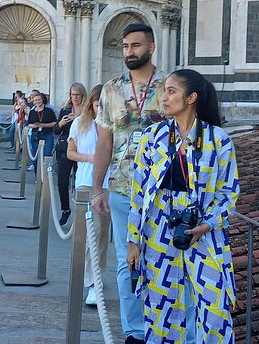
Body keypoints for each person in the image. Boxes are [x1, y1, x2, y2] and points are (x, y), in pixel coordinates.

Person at [127, 69, 238, 343]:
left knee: (215, 313)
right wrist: (133, 241)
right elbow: (138, 193)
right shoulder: (152, 137)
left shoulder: (218, 140)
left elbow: (229, 193)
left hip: (204, 231)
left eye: (171, 91)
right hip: (157, 229)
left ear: (192, 98)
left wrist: (208, 224)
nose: (163, 97)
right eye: (164, 90)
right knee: (161, 313)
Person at [92, 23, 165, 344]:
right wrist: (97, 188)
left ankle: (162, 325)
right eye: (124, 46)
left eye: (135, 45)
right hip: (122, 189)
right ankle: (135, 331)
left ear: (151, 47)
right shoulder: (110, 89)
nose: (129, 52)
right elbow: (104, 142)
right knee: (127, 261)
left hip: (163, 191)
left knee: (162, 258)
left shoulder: (168, 87)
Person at [66, 84, 110, 307]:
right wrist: (92, 158)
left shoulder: (114, 128)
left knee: (102, 235)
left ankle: (95, 278)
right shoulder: (79, 124)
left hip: (109, 183)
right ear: (91, 103)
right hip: (85, 183)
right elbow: (70, 153)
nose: (101, 108)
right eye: (97, 103)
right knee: (88, 234)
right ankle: (90, 279)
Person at [53, 83, 87, 226]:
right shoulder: (65, 110)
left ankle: (83, 211)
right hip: (65, 149)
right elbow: (56, 131)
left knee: (81, 183)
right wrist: (61, 123)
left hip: (82, 150)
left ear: (82, 96)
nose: (75, 98)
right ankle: (65, 209)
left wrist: (80, 119)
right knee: (62, 182)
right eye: (72, 95)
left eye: (77, 95)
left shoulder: (88, 111)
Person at [25, 92, 57, 172]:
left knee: (47, 155)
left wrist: (43, 125)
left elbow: (54, 123)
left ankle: (46, 176)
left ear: (42, 100)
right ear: (33, 101)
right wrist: (34, 126)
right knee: (36, 156)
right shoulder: (32, 112)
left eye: (39, 100)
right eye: (35, 100)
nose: (37, 102)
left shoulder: (49, 111)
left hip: (47, 134)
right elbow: (29, 124)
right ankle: (37, 176)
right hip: (36, 135)